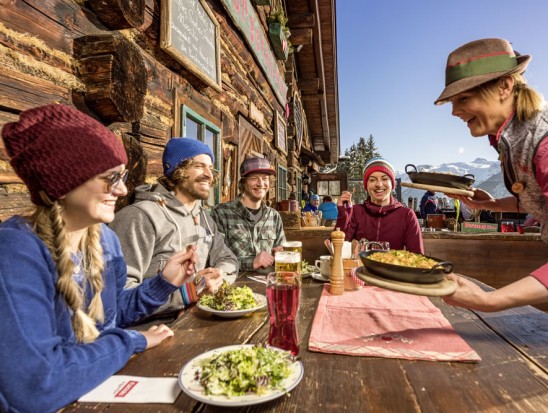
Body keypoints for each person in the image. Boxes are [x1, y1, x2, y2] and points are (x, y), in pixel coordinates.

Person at [0, 104, 199, 412]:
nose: (121, 190)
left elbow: (110, 314)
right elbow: (37, 385)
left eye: (123, 177)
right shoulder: (17, 252)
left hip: (94, 390)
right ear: (64, 179)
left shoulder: (103, 239)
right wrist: (130, 342)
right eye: (111, 177)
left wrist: (163, 283)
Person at [434, 38, 548, 311]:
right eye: (452, 101)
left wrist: (490, 300)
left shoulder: (543, 143)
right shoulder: (515, 139)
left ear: (505, 86)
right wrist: (489, 205)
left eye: (463, 98)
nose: (454, 111)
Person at [110, 137, 238, 319]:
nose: (209, 175)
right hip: (151, 331)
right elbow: (118, 298)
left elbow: (228, 258)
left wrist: (218, 277)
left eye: (210, 168)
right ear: (178, 169)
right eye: (199, 166)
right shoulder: (140, 216)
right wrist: (188, 293)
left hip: (196, 320)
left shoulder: (205, 218)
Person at [211, 156, 286, 272]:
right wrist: (251, 262)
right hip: (234, 287)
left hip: (268, 285)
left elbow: (281, 250)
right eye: (254, 178)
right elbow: (215, 259)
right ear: (243, 182)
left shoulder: (274, 216)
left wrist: (280, 254)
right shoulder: (221, 213)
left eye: (265, 178)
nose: (260, 184)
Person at [336, 157, 424, 253]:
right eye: (372, 180)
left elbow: (417, 256)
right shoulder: (356, 212)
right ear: (366, 185)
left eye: (385, 179)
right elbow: (339, 251)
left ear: (392, 184)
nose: (379, 184)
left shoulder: (407, 215)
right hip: (360, 268)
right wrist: (344, 217)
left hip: (393, 267)